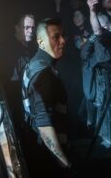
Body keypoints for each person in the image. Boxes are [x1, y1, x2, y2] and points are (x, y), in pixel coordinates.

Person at [22, 18, 71, 173]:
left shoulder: (34, 64)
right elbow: (44, 124)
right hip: (48, 157)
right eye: (56, 37)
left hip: (41, 149)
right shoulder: (44, 75)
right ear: (41, 42)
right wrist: (64, 162)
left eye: (63, 35)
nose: (63, 41)